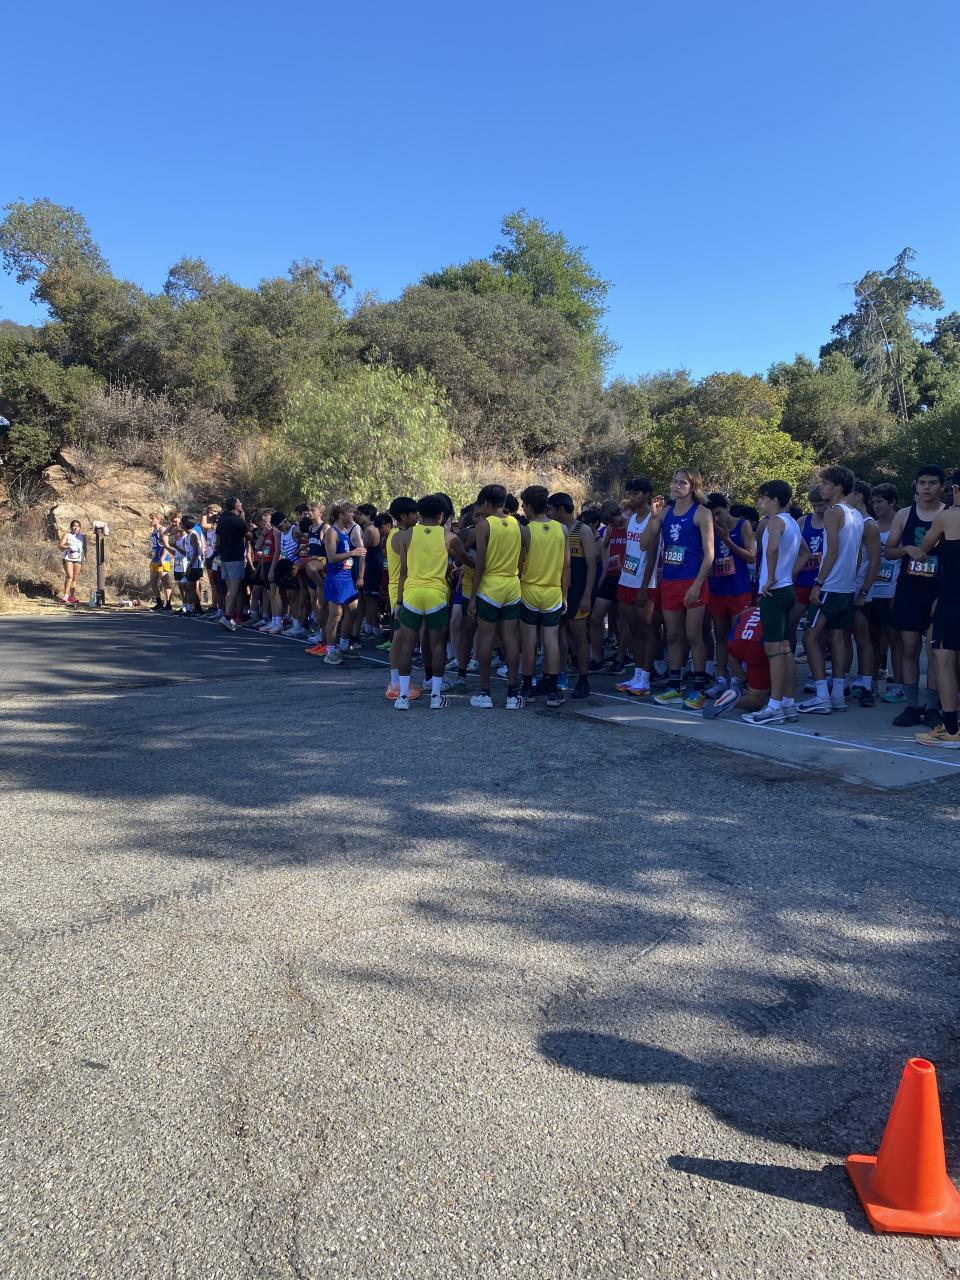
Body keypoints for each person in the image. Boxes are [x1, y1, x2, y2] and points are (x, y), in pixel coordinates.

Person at [646, 468, 715, 710]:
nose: (677, 486)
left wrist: (697, 584)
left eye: (682, 482)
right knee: (673, 635)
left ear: (693, 486)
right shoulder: (665, 513)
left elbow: (710, 555)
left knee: (694, 635)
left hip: (693, 580)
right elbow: (645, 544)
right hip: (670, 581)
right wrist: (653, 518)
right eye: (675, 481)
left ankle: (699, 688)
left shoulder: (702, 513)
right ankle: (674, 685)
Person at [798, 466, 863, 715]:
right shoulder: (856, 514)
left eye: (825, 483)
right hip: (846, 586)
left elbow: (832, 551)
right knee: (837, 638)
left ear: (838, 487)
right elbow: (857, 555)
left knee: (810, 638)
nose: (821, 487)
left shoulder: (834, 512)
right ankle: (837, 695)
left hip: (830, 585)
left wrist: (819, 583)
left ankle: (822, 696)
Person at [884, 464, 945, 728]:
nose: (926, 487)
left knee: (934, 651)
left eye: (932, 483)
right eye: (922, 483)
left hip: (939, 590)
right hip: (909, 588)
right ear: (916, 486)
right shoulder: (904, 515)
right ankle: (911, 705)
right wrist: (907, 549)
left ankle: (932, 707)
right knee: (909, 648)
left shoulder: (949, 515)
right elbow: (888, 551)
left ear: (942, 487)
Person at [740, 480, 802, 725]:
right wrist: (788, 576)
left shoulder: (775, 521)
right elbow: (805, 553)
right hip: (786, 589)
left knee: (774, 651)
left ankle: (774, 706)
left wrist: (772, 577)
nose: (759, 503)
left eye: (763, 498)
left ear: (775, 500)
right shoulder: (793, 522)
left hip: (774, 592)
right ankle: (788, 703)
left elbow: (773, 549)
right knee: (785, 649)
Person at [392, 494, 456, 710]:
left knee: (407, 646)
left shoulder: (406, 535)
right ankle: (436, 696)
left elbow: (403, 572)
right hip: (437, 594)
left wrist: (399, 602)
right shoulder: (448, 536)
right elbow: (464, 557)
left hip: (412, 593)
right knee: (437, 646)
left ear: (420, 513)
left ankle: (402, 697)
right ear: (440, 515)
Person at [468, 484, 524, 709]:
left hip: (491, 586)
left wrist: (473, 596)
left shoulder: (484, 525)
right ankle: (512, 694)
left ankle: (485, 693)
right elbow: (521, 557)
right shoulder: (517, 524)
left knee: (486, 639)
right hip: (512, 584)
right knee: (510, 638)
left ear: (487, 503)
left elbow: (480, 562)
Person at [915, 469, 960, 748]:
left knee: (943, 660)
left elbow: (925, 546)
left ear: (954, 489)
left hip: (953, 599)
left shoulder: (948, 517)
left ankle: (952, 728)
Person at [518, 484, 569, 707]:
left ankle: (527, 686)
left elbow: (519, 562)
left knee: (529, 640)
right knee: (551, 640)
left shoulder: (526, 530)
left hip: (529, 589)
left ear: (530, 506)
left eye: (524, 505)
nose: (523, 509)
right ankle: (552, 688)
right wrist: (564, 594)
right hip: (552, 591)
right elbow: (567, 566)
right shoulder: (562, 529)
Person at [705, 493, 756, 698]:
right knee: (720, 635)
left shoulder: (743, 525)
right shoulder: (709, 527)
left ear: (727, 507)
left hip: (738, 589)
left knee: (736, 636)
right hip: (717, 588)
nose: (716, 519)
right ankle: (720, 677)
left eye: (718, 513)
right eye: (712, 516)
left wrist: (727, 540)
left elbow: (750, 556)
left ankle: (737, 678)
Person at [547, 492, 597, 700]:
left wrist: (587, 595)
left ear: (561, 509)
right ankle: (560, 674)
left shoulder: (583, 530)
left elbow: (592, 565)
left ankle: (583, 679)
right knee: (558, 633)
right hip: (558, 590)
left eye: (550, 509)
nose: (548, 513)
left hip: (578, 591)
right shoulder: (555, 529)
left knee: (578, 635)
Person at [614, 477, 658, 696]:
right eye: (630, 493)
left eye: (637, 493)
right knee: (632, 630)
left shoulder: (654, 518)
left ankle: (646, 678)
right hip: (626, 579)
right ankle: (637, 674)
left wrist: (644, 587)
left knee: (646, 630)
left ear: (646, 494)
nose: (632, 497)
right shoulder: (631, 518)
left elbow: (652, 555)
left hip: (645, 583)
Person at [847, 480, 881, 706]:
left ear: (859, 496)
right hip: (844, 586)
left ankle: (867, 685)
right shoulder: (849, 520)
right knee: (840, 638)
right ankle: (843, 682)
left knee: (863, 638)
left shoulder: (869, 524)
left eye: (849, 494)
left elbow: (876, 561)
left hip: (860, 589)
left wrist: (864, 591)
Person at [868, 483, 903, 702]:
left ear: (892, 502)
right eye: (874, 502)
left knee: (895, 641)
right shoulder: (872, 525)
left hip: (893, 589)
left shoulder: (902, 524)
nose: (876, 506)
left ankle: (898, 685)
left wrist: (900, 591)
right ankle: (870, 682)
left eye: (880, 501)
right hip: (873, 590)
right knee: (873, 640)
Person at [384, 497, 421, 698]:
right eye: (414, 513)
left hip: (404, 588)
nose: (417, 516)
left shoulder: (400, 533)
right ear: (403, 516)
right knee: (399, 637)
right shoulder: (399, 535)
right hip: (399, 589)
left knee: (402, 636)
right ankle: (394, 684)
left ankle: (398, 680)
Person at [322, 501, 366, 666]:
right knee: (335, 615)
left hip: (347, 577)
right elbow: (332, 557)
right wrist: (353, 553)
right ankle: (330, 652)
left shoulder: (346, 531)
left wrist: (356, 555)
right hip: (336, 578)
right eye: (350, 512)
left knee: (353, 611)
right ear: (341, 515)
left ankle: (344, 646)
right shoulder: (331, 532)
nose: (353, 515)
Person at [590, 499, 626, 671]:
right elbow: (605, 548)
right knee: (596, 617)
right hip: (610, 577)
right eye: (609, 522)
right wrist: (604, 570)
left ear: (618, 513)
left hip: (626, 578)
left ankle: (621, 657)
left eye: (613, 520)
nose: (613, 524)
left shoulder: (630, 524)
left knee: (622, 620)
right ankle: (597, 657)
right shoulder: (610, 528)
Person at [215, 497, 249, 632]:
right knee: (234, 588)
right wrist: (243, 519)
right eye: (240, 502)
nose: (242, 504)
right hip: (235, 557)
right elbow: (249, 535)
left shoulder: (222, 519)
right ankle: (227, 616)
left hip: (224, 557)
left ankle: (231, 617)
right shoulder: (237, 520)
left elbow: (218, 536)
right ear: (235, 505)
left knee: (230, 588)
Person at [149, 514, 174, 611]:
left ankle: (168, 604)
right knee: (153, 582)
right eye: (150, 518)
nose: (151, 520)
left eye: (153, 518)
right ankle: (159, 602)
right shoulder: (153, 531)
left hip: (163, 560)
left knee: (165, 581)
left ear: (159, 519)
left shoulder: (162, 530)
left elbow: (166, 546)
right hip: (155, 559)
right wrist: (152, 557)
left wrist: (162, 559)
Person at [58, 520, 86, 603]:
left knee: (74, 577)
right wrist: (68, 547)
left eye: (77, 526)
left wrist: (85, 556)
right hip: (68, 558)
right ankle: (66, 596)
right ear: (71, 527)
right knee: (69, 576)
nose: (76, 527)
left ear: (80, 528)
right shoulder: (67, 535)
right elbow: (60, 546)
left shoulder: (82, 536)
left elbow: (84, 548)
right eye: (74, 526)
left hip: (78, 558)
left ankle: (72, 596)